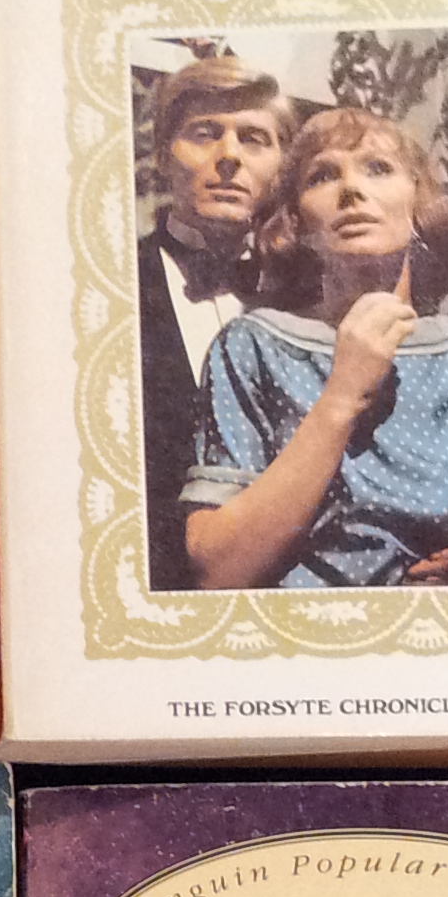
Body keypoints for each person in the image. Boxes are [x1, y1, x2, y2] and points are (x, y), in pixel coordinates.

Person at [182, 107, 448, 592]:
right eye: (323, 176)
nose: (351, 189)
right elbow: (218, 570)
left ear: (418, 202)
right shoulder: (253, 347)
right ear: (296, 222)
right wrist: (343, 393)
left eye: (378, 168)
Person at [135, 54, 294, 588]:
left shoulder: (307, 299)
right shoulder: (109, 284)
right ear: (163, 156)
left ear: (282, 167)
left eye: (254, 138)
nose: (229, 156)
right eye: (205, 133)